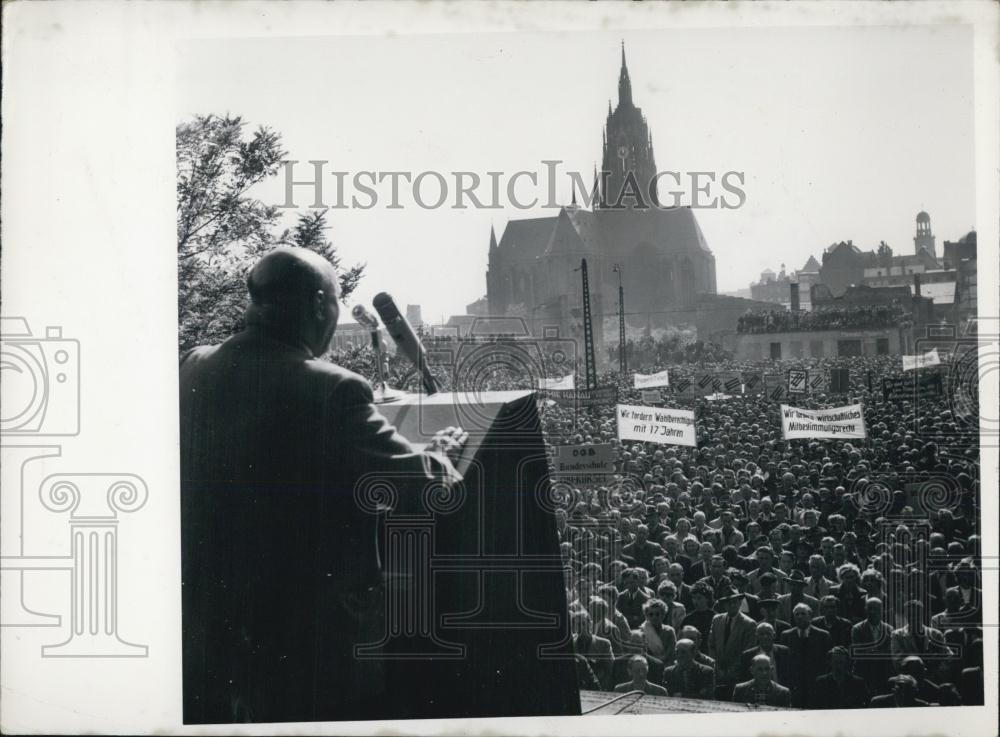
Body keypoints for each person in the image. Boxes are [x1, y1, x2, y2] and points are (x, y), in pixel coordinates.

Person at [179, 247, 466, 723]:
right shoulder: (333, 389)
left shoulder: (194, 365)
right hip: (310, 649)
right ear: (318, 304)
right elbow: (426, 489)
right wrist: (440, 454)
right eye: (336, 300)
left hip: (210, 637)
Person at [780, 602, 833, 708]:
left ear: (810, 615)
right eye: (797, 614)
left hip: (816, 685)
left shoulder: (823, 635)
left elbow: (828, 662)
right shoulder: (786, 635)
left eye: (803, 614)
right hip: (795, 685)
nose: (800, 617)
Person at [708, 587, 757, 700]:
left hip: (737, 676)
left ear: (740, 603)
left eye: (735, 602)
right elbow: (711, 645)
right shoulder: (717, 620)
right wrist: (717, 668)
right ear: (724, 605)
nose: (732, 605)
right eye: (729, 602)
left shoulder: (749, 624)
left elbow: (747, 652)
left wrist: (730, 672)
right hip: (718, 673)